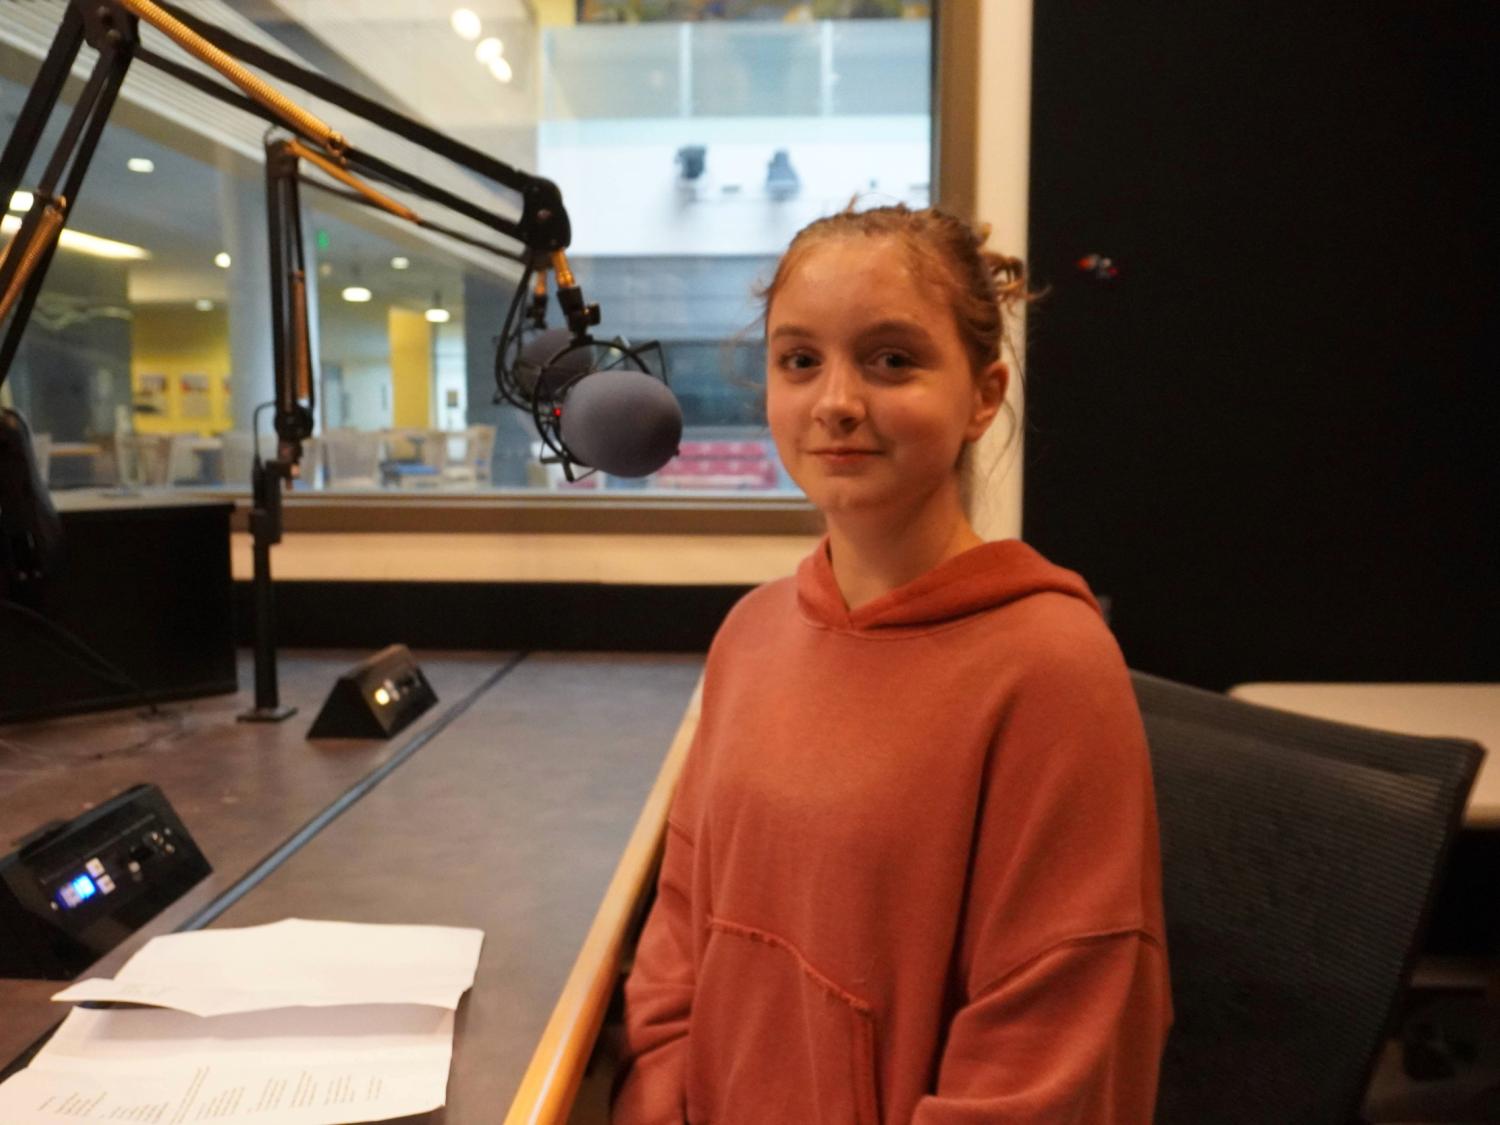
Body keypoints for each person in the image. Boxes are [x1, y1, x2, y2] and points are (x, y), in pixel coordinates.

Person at [613, 204, 1171, 1124]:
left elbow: (1050, 1057)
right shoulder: (751, 634)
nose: (836, 400)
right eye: (800, 360)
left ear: (983, 396)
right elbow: (680, 932)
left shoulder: (1052, 669)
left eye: (891, 360)